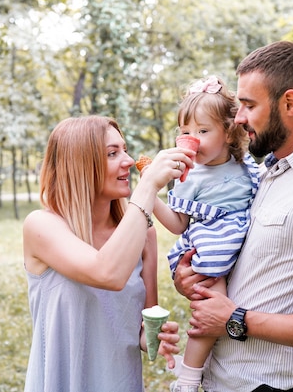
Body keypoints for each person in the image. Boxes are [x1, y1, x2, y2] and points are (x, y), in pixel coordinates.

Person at [173, 41, 293, 392]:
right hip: (220, 380)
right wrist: (192, 278)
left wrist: (235, 320)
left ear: (290, 103)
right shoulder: (265, 173)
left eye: (248, 105)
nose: (239, 118)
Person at [22, 115, 191, 392]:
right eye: (113, 153)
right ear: (79, 165)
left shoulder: (143, 233)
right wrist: (148, 186)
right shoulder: (42, 226)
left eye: (124, 149)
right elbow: (106, 273)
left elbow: (141, 329)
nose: (127, 160)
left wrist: (152, 337)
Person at [147, 76, 260, 392]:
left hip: (242, 240)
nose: (191, 139)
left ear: (228, 131)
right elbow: (178, 224)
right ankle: (188, 377)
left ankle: (202, 364)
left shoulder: (245, 165)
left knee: (219, 311)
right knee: (213, 308)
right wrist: (151, 192)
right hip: (213, 240)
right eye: (185, 132)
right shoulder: (188, 175)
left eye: (202, 131)